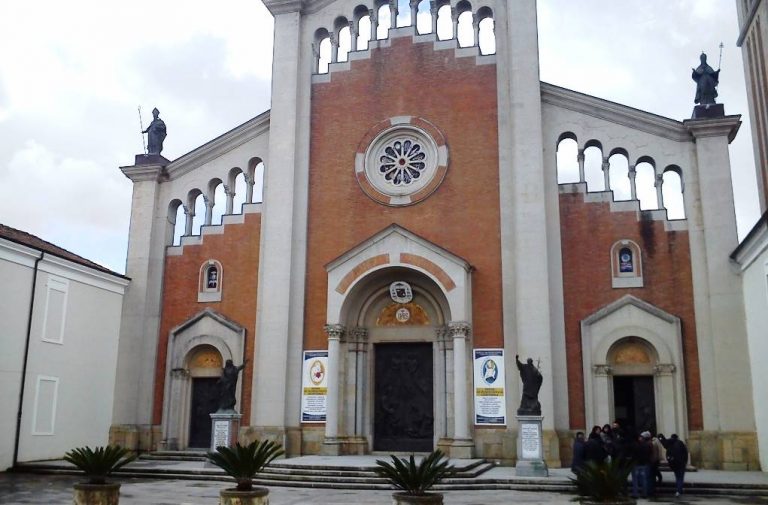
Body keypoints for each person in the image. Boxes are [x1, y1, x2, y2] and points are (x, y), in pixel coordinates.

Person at [630, 433, 653, 499]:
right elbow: (649, 453)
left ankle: (635, 494)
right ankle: (644, 493)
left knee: (635, 480)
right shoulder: (646, 445)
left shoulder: (635, 446)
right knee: (644, 479)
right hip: (643, 464)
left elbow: (633, 455)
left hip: (636, 464)